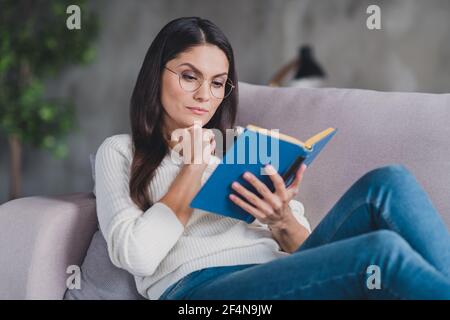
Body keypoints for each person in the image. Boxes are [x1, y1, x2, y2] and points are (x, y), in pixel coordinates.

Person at [95, 17, 450, 300]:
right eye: (190, 77)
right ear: (156, 74)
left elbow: (303, 252)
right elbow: (137, 256)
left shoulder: (245, 145)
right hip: (199, 290)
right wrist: (193, 166)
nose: (205, 95)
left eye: (218, 83)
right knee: (381, 250)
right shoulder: (122, 151)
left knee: (389, 182)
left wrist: (282, 221)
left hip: (280, 275)